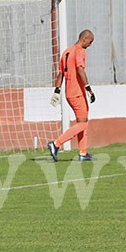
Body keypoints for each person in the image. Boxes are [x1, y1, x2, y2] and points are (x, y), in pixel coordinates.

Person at [49, 30, 96, 162]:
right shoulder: (80, 50)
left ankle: (83, 153)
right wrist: (89, 89)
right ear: (84, 39)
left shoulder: (66, 52)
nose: (90, 44)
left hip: (69, 92)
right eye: (90, 41)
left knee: (82, 121)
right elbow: (80, 69)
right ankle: (56, 143)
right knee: (83, 123)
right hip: (77, 92)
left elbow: (61, 74)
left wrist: (57, 91)